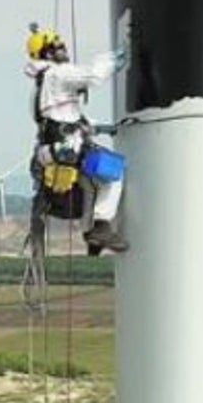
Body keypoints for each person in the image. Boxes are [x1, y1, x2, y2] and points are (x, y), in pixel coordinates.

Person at [25, 24, 128, 255]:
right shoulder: (58, 74)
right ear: (48, 52)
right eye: (59, 46)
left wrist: (97, 127)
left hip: (51, 151)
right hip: (68, 147)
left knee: (88, 185)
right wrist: (118, 56)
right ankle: (100, 227)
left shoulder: (40, 86)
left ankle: (91, 236)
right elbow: (94, 75)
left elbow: (60, 116)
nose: (64, 49)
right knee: (113, 175)